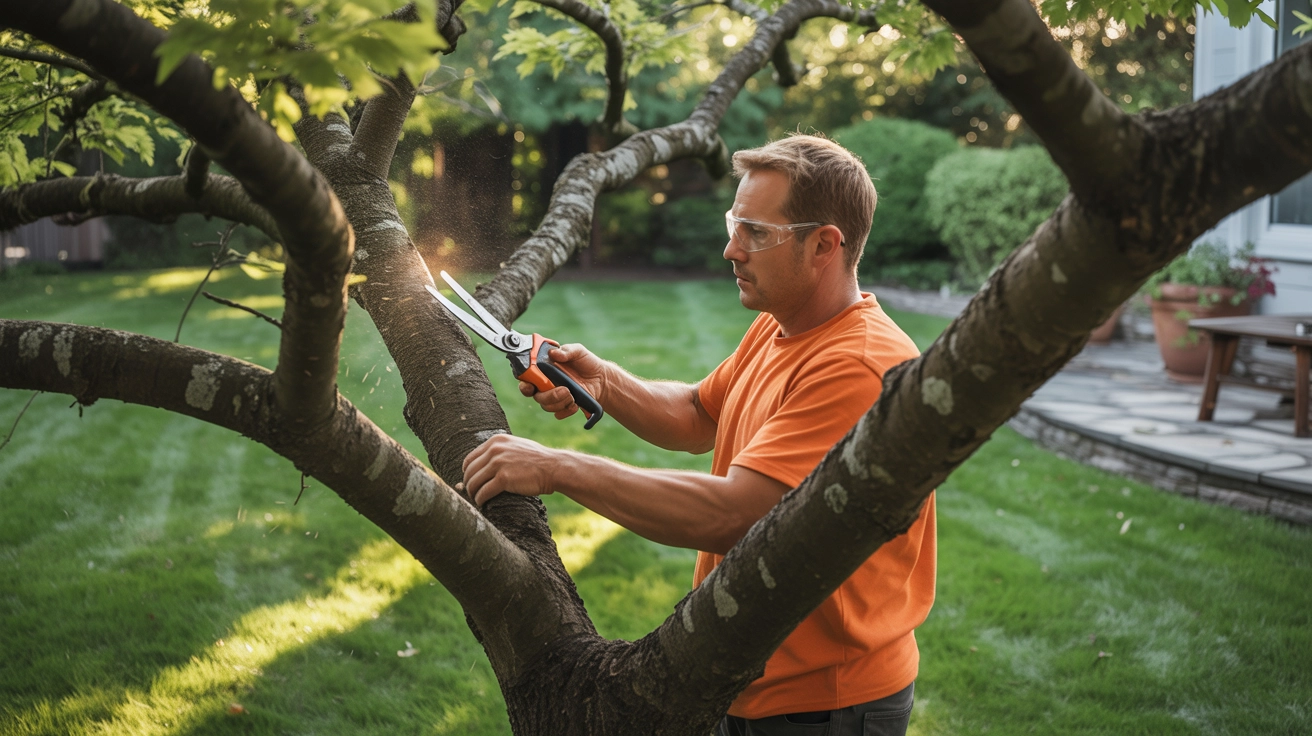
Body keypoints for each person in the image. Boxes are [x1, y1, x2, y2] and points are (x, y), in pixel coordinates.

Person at [461, 134, 937, 736]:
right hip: (745, 677)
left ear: (824, 245)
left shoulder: (858, 366)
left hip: (825, 704)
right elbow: (697, 414)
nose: (730, 249)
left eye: (755, 233)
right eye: (734, 224)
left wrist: (556, 468)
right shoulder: (783, 325)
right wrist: (604, 381)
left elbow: (735, 514)